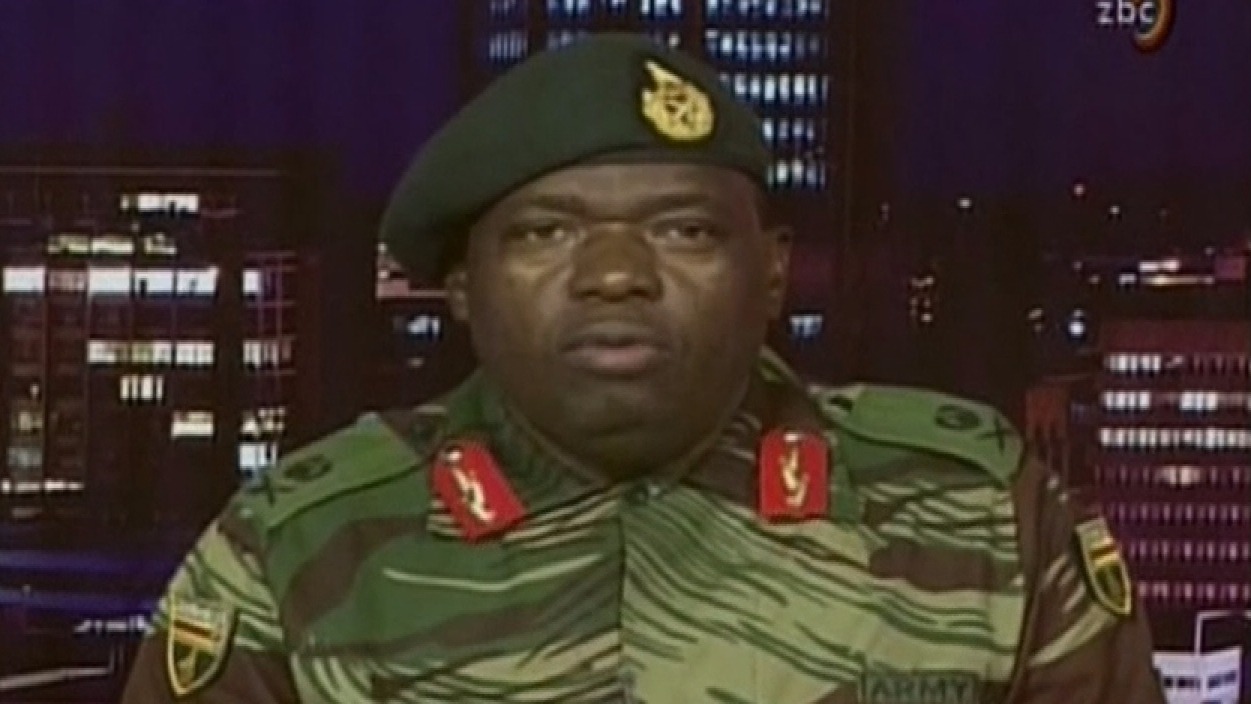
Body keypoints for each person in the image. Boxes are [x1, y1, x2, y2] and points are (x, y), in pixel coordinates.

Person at [121, 33, 1167, 704]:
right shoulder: (296, 549)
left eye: (683, 230)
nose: (615, 274)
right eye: (545, 232)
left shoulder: (985, 519)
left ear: (773, 271)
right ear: (461, 286)